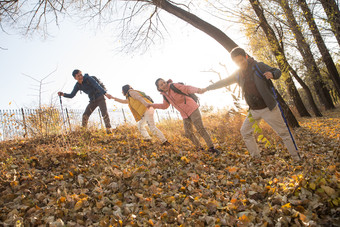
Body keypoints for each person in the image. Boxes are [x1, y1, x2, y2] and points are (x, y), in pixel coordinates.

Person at [200, 47, 301, 161]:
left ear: (246, 57)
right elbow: (223, 82)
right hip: (254, 110)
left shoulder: (259, 66)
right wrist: (207, 88)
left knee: (284, 133)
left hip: (269, 108)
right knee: (245, 132)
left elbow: (277, 71)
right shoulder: (238, 74)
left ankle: (296, 157)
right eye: (237, 62)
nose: (240, 63)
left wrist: (272, 74)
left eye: (241, 60)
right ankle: (256, 158)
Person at [148, 78, 220, 155]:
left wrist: (199, 90)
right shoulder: (165, 95)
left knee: (200, 129)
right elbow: (165, 106)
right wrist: (152, 105)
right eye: (161, 84)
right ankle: (200, 148)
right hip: (184, 114)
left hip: (192, 109)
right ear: (159, 88)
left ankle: (212, 148)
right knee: (188, 132)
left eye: (164, 82)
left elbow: (187, 88)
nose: (164, 85)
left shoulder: (174, 86)